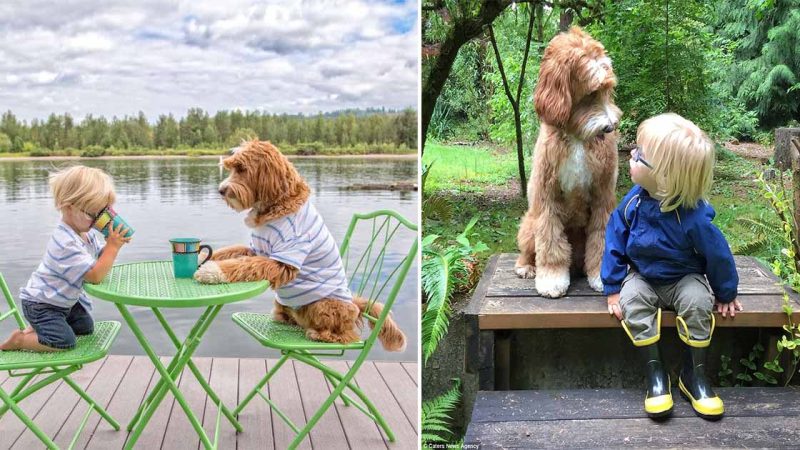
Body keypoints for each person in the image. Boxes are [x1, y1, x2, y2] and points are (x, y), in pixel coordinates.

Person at [601, 113, 742, 420]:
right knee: (633, 302)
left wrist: (726, 292)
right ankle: (655, 375)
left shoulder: (692, 217)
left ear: (664, 177)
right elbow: (614, 240)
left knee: (698, 302)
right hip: (643, 276)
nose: (631, 155)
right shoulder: (633, 203)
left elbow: (718, 254)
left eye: (639, 155)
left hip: (684, 277)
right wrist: (613, 288)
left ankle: (694, 376)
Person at [0, 165, 131, 352]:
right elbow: (94, 275)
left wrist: (111, 244)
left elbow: (99, 261)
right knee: (64, 342)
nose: (97, 222)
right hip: (42, 305)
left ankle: (39, 329)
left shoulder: (86, 234)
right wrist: (113, 247)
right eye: (93, 215)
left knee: (85, 329)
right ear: (69, 208)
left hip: (64, 302)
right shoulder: (65, 243)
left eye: (102, 214)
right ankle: (20, 340)